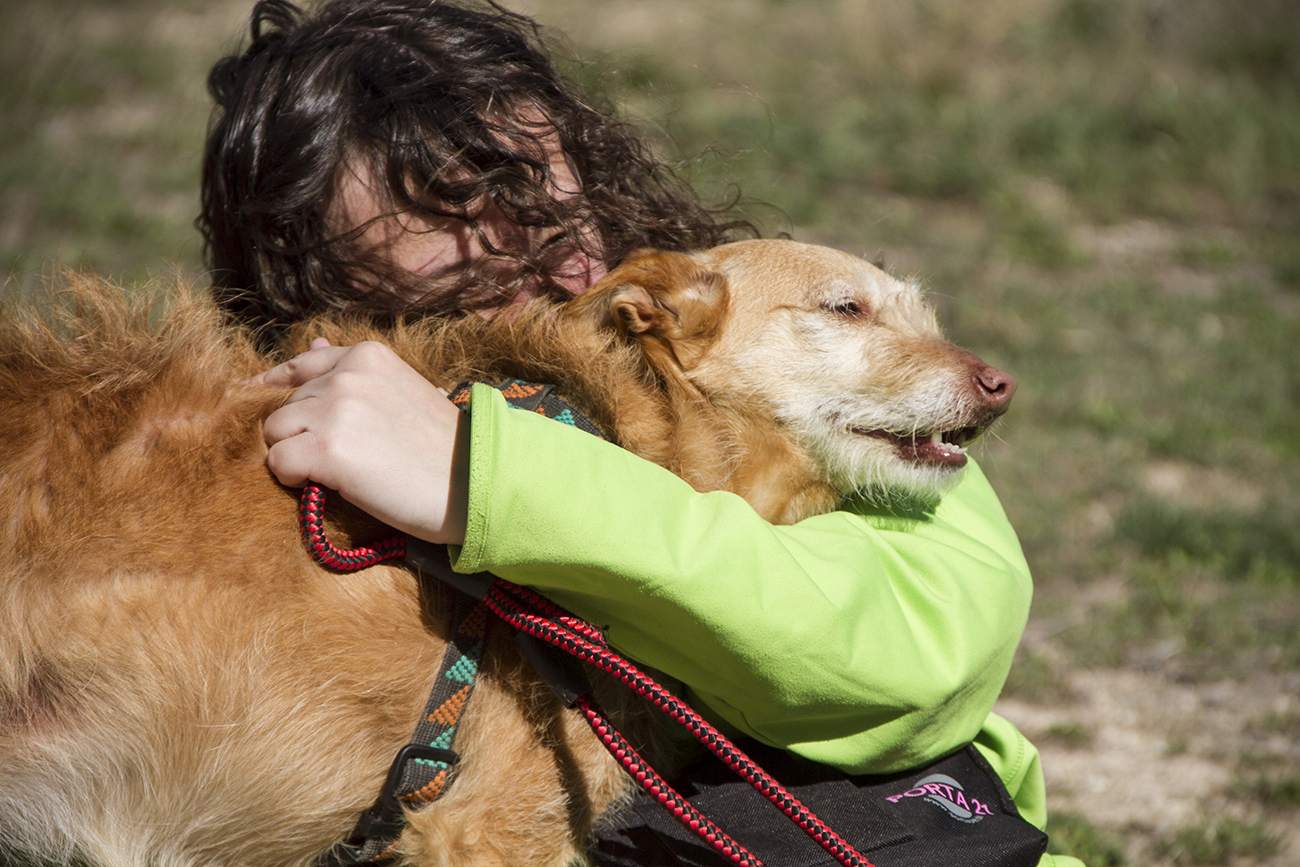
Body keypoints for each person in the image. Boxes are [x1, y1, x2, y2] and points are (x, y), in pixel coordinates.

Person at [199, 2, 1083, 865]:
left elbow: (919, 648)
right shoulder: (312, 437)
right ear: (329, 297)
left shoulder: (766, 357)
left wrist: (488, 481)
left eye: (556, 211)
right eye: (473, 280)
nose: (572, 274)